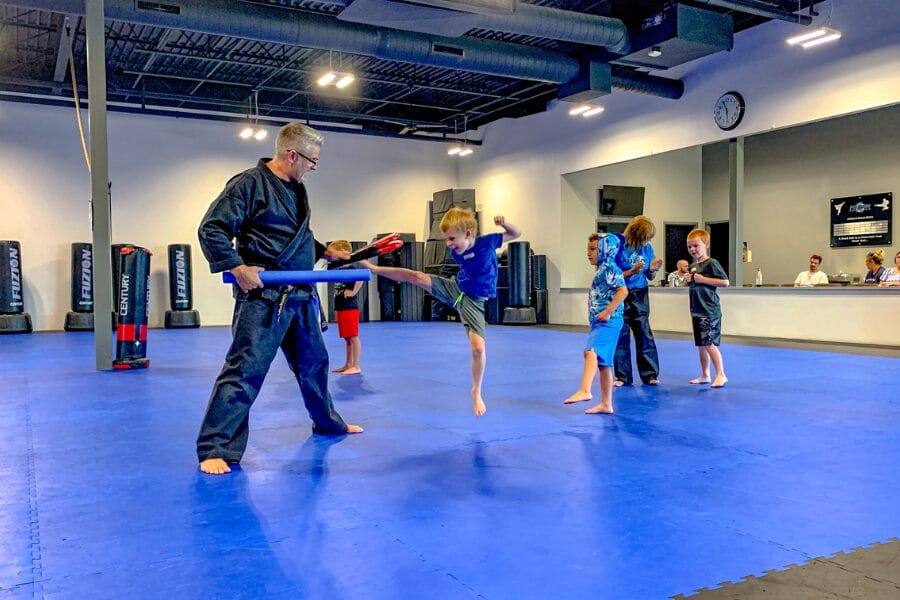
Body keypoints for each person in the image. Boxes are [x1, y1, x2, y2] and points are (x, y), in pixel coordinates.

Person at [196, 122, 363, 475]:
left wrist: (324, 251)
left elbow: (294, 237)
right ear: (292, 154)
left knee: (314, 365)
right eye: (311, 160)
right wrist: (235, 266)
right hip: (264, 297)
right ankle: (216, 448)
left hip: (300, 294)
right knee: (245, 370)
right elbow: (212, 228)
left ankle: (328, 422)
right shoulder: (249, 184)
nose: (314, 167)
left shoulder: (296, 189)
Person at [361, 208, 520, 417]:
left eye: (452, 238)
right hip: (456, 289)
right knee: (417, 277)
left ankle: (476, 390)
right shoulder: (456, 250)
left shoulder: (488, 242)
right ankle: (376, 270)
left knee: (478, 349)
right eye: (445, 239)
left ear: (469, 234)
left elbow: (516, 234)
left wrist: (504, 224)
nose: (448, 244)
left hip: (473, 302)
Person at [570, 233, 628, 414]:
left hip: (608, 322)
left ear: (605, 249)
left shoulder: (610, 268)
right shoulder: (603, 269)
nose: (589, 253)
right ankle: (606, 403)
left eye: (593, 249)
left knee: (591, 351)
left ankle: (585, 390)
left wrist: (608, 310)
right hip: (602, 321)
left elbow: (623, 291)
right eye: (588, 249)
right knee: (604, 363)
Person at [613, 215, 663, 386]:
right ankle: (623, 376)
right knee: (621, 334)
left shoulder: (647, 248)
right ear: (636, 236)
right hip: (620, 292)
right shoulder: (617, 247)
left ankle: (650, 374)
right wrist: (631, 272)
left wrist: (653, 269)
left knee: (643, 333)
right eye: (644, 238)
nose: (646, 242)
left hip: (640, 293)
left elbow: (650, 275)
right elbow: (610, 276)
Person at [685, 229, 730, 388]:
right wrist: (688, 280)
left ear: (707, 245)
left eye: (695, 246)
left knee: (709, 342)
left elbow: (725, 282)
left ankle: (721, 374)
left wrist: (702, 279)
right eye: (689, 246)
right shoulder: (693, 266)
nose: (692, 249)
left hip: (709, 310)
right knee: (701, 344)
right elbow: (694, 283)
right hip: (696, 309)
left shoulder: (712, 263)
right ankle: (705, 374)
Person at [328, 240, 364, 375]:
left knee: (353, 337)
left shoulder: (351, 269)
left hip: (350, 307)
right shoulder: (339, 269)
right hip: (341, 306)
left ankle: (356, 365)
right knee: (347, 338)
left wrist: (353, 292)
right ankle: (348, 364)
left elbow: (361, 278)